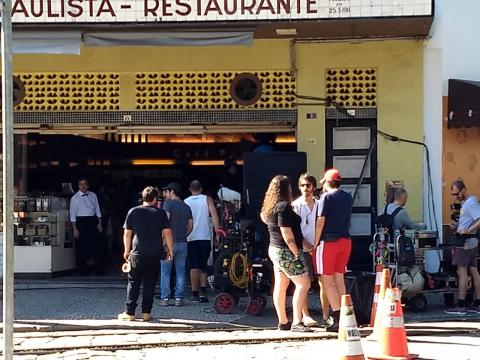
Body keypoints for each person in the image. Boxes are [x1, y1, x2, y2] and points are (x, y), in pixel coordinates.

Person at [261, 175, 312, 332]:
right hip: (285, 250)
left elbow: (264, 219)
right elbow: (287, 233)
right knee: (304, 283)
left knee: (281, 285)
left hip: (274, 249)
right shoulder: (283, 206)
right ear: (286, 188)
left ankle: (283, 322)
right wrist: (297, 253)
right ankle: (297, 321)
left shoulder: (269, 207)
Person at [118, 186, 174, 322]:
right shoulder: (160, 213)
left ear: (142, 198)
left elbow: (127, 233)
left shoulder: (133, 211)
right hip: (155, 252)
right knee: (150, 282)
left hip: (137, 252)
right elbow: (167, 233)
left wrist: (126, 250)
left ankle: (130, 312)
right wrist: (170, 250)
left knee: (133, 282)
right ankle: (146, 313)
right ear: (155, 199)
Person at [313, 169, 353, 332]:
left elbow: (321, 221)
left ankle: (338, 318)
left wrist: (315, 243)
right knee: (339, 279)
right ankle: (347, 314)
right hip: (345, 241)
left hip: (329, 242)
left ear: (328, 182)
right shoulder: (348, 197)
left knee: (326, 281)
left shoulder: (326, 197)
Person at [292, 173, 331, 328]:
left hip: (319, 246)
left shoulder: (320, 204)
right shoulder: (295, 205)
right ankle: (305, 315)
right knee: (303, 283)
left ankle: (326, 315)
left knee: (324, 281)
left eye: (308, 185)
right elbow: (294, 229)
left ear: (313, 187)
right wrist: (303, 243)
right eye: (302, 185)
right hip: (303, 247)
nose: (305, 189)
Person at [184, 180, 225, 303]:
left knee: (193, 266)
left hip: (190, 237)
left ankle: (194, 294)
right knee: (204, 265)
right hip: (205, 237)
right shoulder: (207, 199)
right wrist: (217, 233)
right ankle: (203, 292)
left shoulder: (185, 202)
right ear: (201, 189)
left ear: (190, 190)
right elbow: (214, 216)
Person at [445, 180, 480, 315]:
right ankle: (477, 303)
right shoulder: (468, 203)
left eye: (457, 194)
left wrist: (466, 230)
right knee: (474, 271)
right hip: (471, 241)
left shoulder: (470, 203)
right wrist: (458, 225)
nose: (456, 197)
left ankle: (461, 305)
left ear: (464, 190)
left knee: (462, 272)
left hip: (465, 242)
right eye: (454, 195)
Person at [159, 182, 193, 307]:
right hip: (183, 243)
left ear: (172, 191)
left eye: (167, 191)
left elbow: (165, 222)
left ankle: (165, 299)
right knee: (180, 271)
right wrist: (184, 235)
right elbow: (190, 226)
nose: (165, 194)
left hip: (169, 244)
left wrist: (162, 239)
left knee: (165, 272)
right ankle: (179, 298)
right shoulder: (186, 206)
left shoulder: (167, 204)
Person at [69, 177, 103, 275]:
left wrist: (99, 223)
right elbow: (72, 215)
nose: (83, 186)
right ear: (78, 185)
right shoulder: (75, 198)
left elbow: (97, 210)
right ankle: (84, 270)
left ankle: (98, 269)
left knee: (96, 246)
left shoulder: (93, 195)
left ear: (88, 185)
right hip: (81, 222)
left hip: (92, 221)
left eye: (85, 184)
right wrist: (75, 229)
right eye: (81, 184)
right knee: (82, 247)